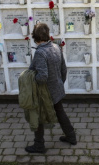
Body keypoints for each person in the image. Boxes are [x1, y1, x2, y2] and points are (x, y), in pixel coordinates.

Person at [25, 23, 77, 153]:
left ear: (35, 37)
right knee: (60, 112)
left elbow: (42, 76)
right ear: (47, 35)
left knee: (38, 115)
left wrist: (31, 82)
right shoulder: (56, 47)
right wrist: (59, 83)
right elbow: (63, 69)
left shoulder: (40, 53)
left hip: (45, 92)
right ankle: (71, 136)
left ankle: (39, 145)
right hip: (57, 89)